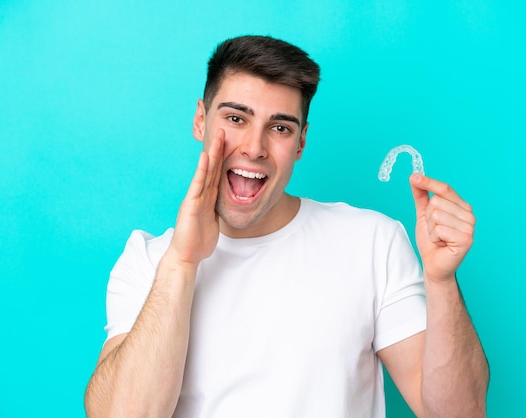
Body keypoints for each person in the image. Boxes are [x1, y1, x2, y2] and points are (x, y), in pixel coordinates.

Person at [84, 35, 489, 417]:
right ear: (200, 120)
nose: (254, 148)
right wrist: (182, 263)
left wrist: (441, 283)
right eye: (236, 118)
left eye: (279, 128)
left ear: (300, 142)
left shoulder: (372, 242)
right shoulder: (148, 260)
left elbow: (458, 413)